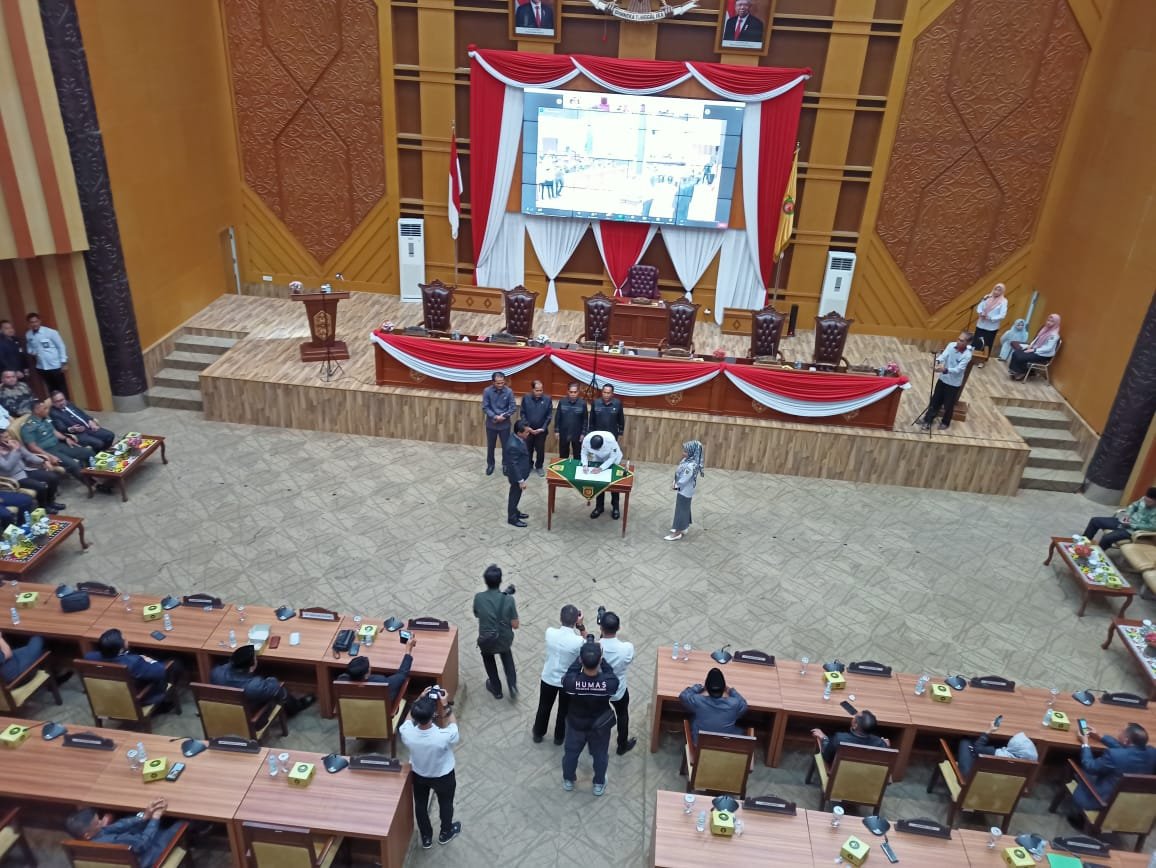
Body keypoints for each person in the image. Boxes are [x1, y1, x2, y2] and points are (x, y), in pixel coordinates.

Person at [398, 689, 461, 848]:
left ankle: (426, 837)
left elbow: (407, 721)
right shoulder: (444, 736)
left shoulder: (407, 733)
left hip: (419, 774)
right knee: (446, 803)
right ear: (433, 714)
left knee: (420, 805)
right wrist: (445, 705)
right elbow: (454, 726)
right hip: (443, 776)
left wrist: (418, 700)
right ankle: (445, 832)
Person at [561, 640, 619, 796]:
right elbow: (611, 675)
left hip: (576, 725)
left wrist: (579, 660)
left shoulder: (571, 683)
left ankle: (568, 780)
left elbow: (569, 674)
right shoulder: (609, 684)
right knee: (600, 756)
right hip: (599, 727)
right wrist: (602, 660)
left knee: (571, 754)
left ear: (581, 659)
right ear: (599, 660)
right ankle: (598, 784)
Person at [1072, 723, 1156, 816]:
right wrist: (1100, 737)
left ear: (1126, 740)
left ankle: (1077, 815)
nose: (1119, 731)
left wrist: (1085, 743)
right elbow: (1127, 751)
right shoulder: (1153, 752)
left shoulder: (1113, 755)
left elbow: (1090, 766)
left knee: (1081, 768)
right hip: (1131, 802)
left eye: (1122, 731)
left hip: (1101, 801)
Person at [210, 643, 315, 716]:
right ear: (251, 667)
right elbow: (274, 685)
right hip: (249, 714)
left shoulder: (216, 672)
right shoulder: (255, 686)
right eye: (255, 658)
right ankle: (296, 707)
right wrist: (269, 679)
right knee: (280, 690)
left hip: (224, 711)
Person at [65, 801, 181, 867]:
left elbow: (116, 826)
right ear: (87, 835)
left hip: (133, 850)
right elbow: (143, 843)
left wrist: (143, 816)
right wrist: (155, 818)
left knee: (134, 820)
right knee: (181, 824)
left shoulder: (88, 841)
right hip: (146, 858)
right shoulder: (114, 844)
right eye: (98, 822)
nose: (101, 821)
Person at [533, 604, 586, 745]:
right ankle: (559, 737)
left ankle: (538, 733)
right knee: (564, 710)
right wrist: (581, 627)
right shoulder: (578, 641)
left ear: (560, 618)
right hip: (567, 682)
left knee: (544, 706)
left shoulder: (550, 632)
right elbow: (589, 647)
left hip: (548, 678)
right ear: (576, 620)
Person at [84, 628, 171, 706]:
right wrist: (148, 659)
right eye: (123, 639)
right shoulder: (134, 663)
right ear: (121, 649)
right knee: (175, 663)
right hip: (136, 698)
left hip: (109, 694)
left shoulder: (89, 658)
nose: (125, 640)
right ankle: (165, 704)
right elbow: (160, 671)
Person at [473, 564, 519, 699]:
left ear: (485, 581)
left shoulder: (479, 598)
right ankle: (512, 686)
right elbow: (515, 625)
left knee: (488, 659)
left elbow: (477, 614)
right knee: (507, 656)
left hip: (487, 640)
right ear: (500, 580)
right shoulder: (509, 599)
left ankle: (496, 689)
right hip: (504, 639)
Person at [20, 399, 93, 482]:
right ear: (37, 411)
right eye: (45, 408)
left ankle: (95, 475)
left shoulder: (45, 418)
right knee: (74, 465)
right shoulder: (28, 427)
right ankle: (90, 483)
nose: (48, 410)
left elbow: (54, 432)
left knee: (88, 453)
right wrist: (49, 456)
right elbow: (32, 447)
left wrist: (66, 438)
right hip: (48, 450)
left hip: (58, 445)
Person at [336, 635, 416, 703]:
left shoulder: (341, 680)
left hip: (354, 711)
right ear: (366, 675)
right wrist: (408, 651)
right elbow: (402, 674)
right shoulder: (380, 682)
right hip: (379, 712)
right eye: (369, 667)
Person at [599, 611, 636, 756]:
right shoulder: (627, 648)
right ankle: (622, 746)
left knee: (597, 715)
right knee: (622, 715)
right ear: (619, 628)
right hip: (618, 690)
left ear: (601, 628)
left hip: (599, 689)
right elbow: (629, 660)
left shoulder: (595, 647)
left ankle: (595, 743)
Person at [0, 430, 66, 512]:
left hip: (26, 470)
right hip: (14, 477)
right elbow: (7, 467)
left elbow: (29, 456)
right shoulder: (10, 449)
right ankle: (43, 507)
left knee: (53, 477)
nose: (9, 438)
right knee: (40, 487)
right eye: (6, 437)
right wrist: (14, 451)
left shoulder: (14, 444)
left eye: (9, 436)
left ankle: (51, 502)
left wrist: (43, 461)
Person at [919, 331, 973, 431]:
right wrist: (937, 361)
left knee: (948, 404)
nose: (958, 341)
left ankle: (945, 422)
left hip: (953, 383)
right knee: (935, 400)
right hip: (943, 379)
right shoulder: (951, 345)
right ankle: (928, 420)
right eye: (958, 339)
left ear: (968, 343)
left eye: (961, 341)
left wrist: (945, 370)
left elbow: (958, 369)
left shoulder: (967, 355)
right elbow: (944, 355)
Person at [679, 667, 747, 744]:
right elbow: (743, 705)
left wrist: (699, 687)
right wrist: (731, 691)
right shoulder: (734, 703)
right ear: (724, 688)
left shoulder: (698, 700)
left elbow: (683, 696)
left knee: (693, 719)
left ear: (707, 687)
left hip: (699, 745)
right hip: (726, 745)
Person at [1082, 487, 1156, 550]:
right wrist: (1127, 515)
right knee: (1095, 521)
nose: (1146, 503)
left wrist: (1132, 525)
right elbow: (1133, 506)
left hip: (1132, 531)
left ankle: (1097, 555)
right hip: (1124, 522)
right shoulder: (1143, 499)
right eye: (1145, 500)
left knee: (1106, 538)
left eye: (1149, 502)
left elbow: (1152, 527)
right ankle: (1082, 544)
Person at [811, 710, 890, 765]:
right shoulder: (881, 744)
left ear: (855, 725)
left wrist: (824, 738)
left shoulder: (839, 739)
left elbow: (826, 757)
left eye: (854, 717)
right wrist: (886, 747)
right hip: (865, 777)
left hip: (840, 775)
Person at [955, 726, 1037, 777]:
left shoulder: (1001, 755)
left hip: (970, 779)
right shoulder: (1030, 763)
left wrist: (989, 731)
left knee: (965, 740)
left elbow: (977, 749)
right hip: (998, 787)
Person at [49, 390, 115, 451]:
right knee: (99, 443)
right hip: (78, 434)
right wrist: (72, 429)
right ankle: (98, 455)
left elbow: (83, 414)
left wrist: (90, 421)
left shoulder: (69, 404)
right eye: (58, 401)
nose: (61, 403)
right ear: (53, 403)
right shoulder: (53, 413)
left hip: (88, 427)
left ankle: (105, 452)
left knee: (110, 435)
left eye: (62, 400)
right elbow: (61, 428)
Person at [666, 440, 705, 541]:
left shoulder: (691, 466)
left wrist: (676, 485)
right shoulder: (686, 461)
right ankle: (684, 527)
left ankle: (677, 532)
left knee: (681, 511)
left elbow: (684, 479)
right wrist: (675, 480)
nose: (683, 453)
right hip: (683, 489)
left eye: (686, 452)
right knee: (684, 508)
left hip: (685, 491)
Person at [582, 431, 623, 520]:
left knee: (614, 482)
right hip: (598, 458)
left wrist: (601, 468)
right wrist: (584, 465)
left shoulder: (610, 440)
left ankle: (615, 507)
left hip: (613, 459)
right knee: (599, 482)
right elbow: (584, 453)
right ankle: (599, 507)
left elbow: (613, 457)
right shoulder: (587, 439)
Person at [25, 313, 68, 397]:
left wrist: (64, 362)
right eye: (32, 322)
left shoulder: (51, 332)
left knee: (61, 388)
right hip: (42, 366)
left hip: (55, 365)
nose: (34, 324)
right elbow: (29, 347)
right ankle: (54, 404)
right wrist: (32, 352)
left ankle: (66, 403)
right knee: (50, 388)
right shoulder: (28, 334)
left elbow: (61, 346)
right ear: (29, 324)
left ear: (40, 321)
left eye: (36, 321)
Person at [482, 371, 516, 476]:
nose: (501, 385)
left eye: (502, 382)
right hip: (491, 424)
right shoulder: (487, 391)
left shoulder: (509, 391)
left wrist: (504, 416)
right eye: (498, 383)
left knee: (506, 447)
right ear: (493, 382)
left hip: (504, 425)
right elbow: (485, 407)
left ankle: (505, 465)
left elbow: (513, 407)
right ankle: (490, 464)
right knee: (491, 446)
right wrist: (495, 416)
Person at [1008, 313, 1061, 380]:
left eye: (1052, 321)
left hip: (1043, 355)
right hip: (1036, 349)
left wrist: (1034, 350)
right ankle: (1016, 371)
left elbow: (1048, 348)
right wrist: (1031, 345)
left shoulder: (1054, 335)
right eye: (1048, 320)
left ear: (1056, 323)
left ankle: (1022, 373)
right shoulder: (1045, 329)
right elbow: (1037, 338)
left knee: (1021, 357)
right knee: (1016, 353)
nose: (1048, 322)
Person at [519, 380, 552, 476]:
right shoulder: (526, 398)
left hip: (541, 431)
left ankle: (539, 466)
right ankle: (529, 465)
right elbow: (523, 413)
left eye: (541, 390)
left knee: (540, 450)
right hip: (528, 430)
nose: (539, 392)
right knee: (528, 449)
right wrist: (527, 427)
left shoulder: (547, 399)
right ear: (532, 389)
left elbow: (549, 416)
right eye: (537, 390)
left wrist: (543, 428)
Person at [505, 420, 532, 528]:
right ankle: (512, 518)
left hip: (521, 473)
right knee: (514, 496)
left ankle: (515, 511)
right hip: (516, 476)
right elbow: (513, 465)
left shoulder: (518, 438)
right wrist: (520, 480)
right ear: (519, 433)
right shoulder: (513, 445)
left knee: (516, 495)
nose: (528, 433)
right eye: (526, 432)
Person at [972, 283, 1008, 356]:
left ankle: (984, 359)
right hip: (981, 324)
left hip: (991, 327)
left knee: (987, 344)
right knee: (977, 342)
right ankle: (973, 356)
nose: (996, 291)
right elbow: (980, 306)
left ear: (1002, 292)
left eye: (999, 290)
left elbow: (1002, 315)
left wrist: (990, 318)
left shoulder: (1004, 301)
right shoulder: (987, 297)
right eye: (995, 289)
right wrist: (980, 312)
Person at [555, 382, 586, 460]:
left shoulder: (582, 403)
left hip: (577, 433)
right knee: (563, 454)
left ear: (578, 392)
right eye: (571, 392)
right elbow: (558, 417)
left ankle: (577, 467)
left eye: (575, 392)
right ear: (568, 392)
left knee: (578, 455)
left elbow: (585, 420)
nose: (573, 394)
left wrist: (583, 433)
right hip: (564, 432)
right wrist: (556, 431)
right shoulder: (562, 402)